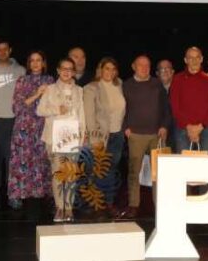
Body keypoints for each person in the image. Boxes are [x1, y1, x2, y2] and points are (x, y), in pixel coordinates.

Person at [117, 55, 170, 219]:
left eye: (147, 65)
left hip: (156, 134)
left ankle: (159, 205)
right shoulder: (126, 85)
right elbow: (121, 109)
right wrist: (125, 128)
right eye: (141, 65)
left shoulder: (157, 84)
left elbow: (166, 108)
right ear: (134, 66)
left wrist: (164, 125)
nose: (144, 68)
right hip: (136, 135)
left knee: (159, 172)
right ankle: (134, 205)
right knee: (134, 171)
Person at [37, 58, 87, 222]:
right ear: (58, 70)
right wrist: (56, 109)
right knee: (58, 174)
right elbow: (40, 110)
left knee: (71, 174)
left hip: (73, 136)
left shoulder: (79, 90)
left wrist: (83, 135)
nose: (67, 72)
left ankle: (69, 208)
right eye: (63, 69)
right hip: (55, 136)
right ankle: (60, 208)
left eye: (70, 69)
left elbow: (82, 115)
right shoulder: (50, 89)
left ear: (73, 72)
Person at [7, 50, 55, 209]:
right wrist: (37, 94)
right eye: (32, 60)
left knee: (42, 161)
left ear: (43, 63)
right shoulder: (22, 80)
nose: (35, 63)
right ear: (29, 64)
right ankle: (16, 195)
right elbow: (17, 107)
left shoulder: (50, 80)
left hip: (43, 126)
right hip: (23, 128)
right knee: (21, 162)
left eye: (39, 60)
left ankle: (42, 193)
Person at [0, 40, 25, 211]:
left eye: (5, 49)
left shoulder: (21, 71)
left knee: (13, 163)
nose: (2, 52)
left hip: (14, 121)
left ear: (10, 50)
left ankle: (14, 196)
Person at [84, 57, 127, 210]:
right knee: (98, 170)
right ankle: (95, 202)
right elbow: (89, 116)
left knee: (111, 170)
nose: (110, 72)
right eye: (107, 68)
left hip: (118, 135)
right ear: (100, 69)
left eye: (113, 69)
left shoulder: (120, 84)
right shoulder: (91, 88)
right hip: (101, 137)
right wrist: (95, 139)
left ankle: (108, 202)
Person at [169, 47, 208, 153]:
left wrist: (200, 127)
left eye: (197, 57)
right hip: (183, 128)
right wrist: (188, 127)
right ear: (185, 60)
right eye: (190, 58)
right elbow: (174, 107)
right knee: (184, 165)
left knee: (205, 163)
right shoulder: (177, 79)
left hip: (205, 129)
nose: (194, 60)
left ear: (201, 59)